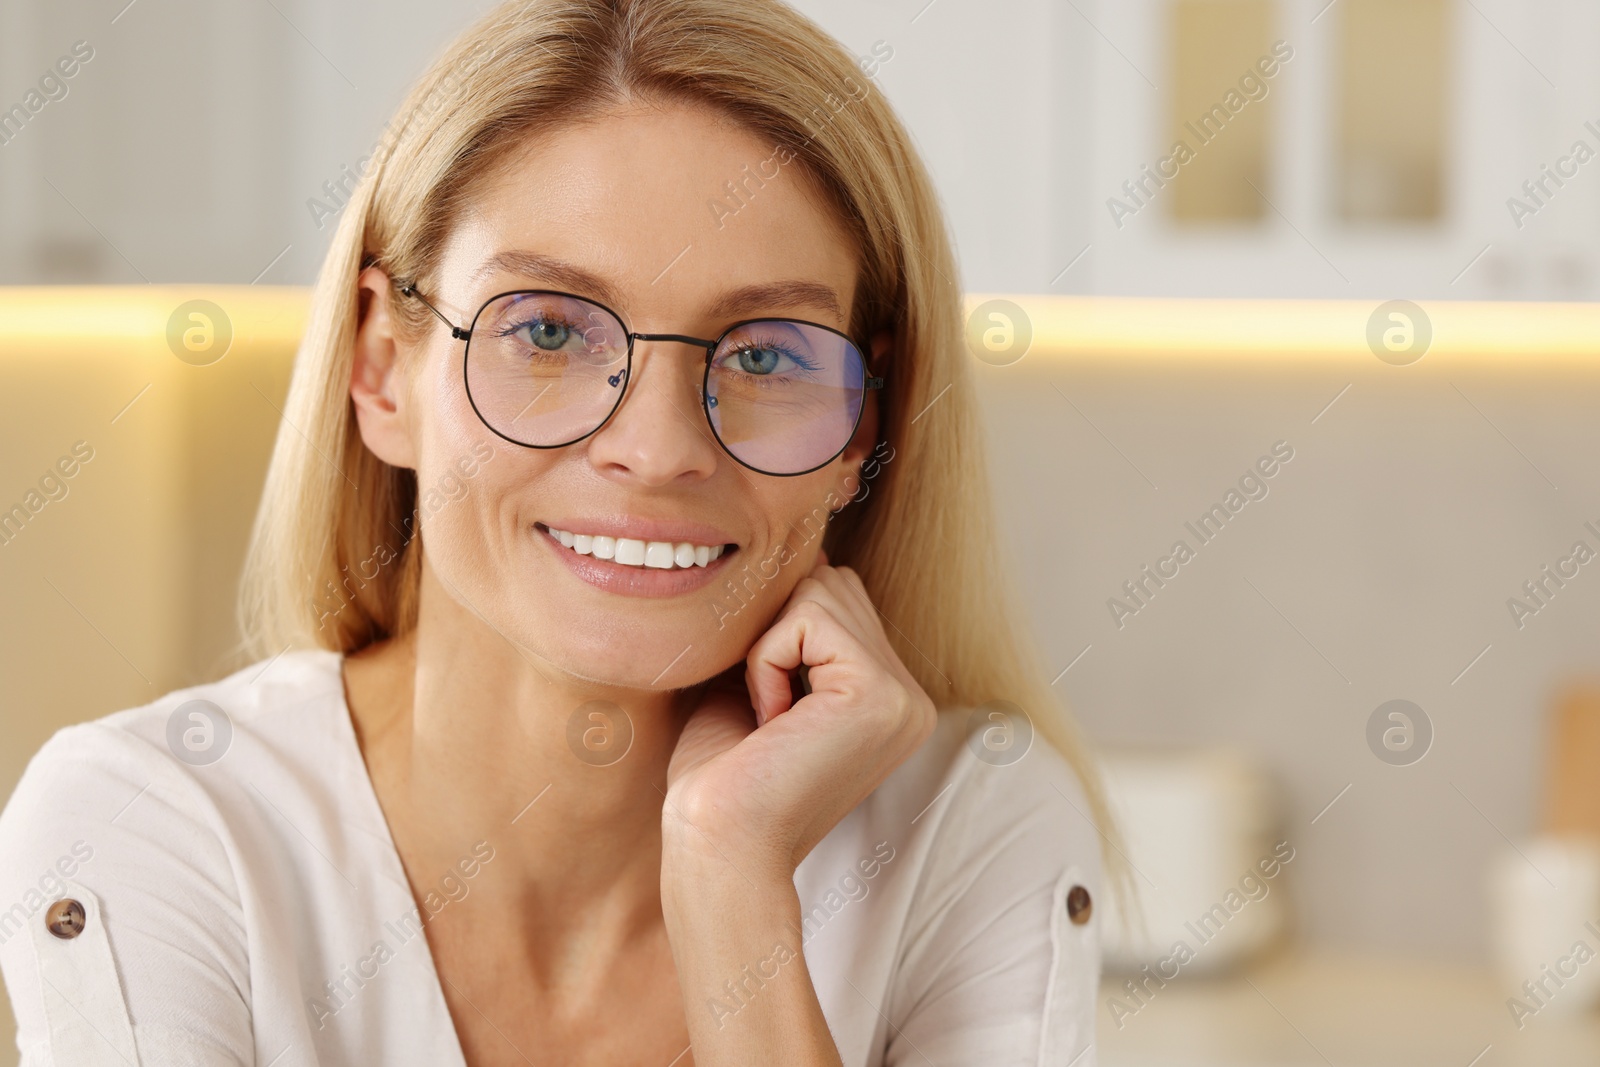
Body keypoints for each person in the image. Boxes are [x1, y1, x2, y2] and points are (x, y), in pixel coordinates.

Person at [0, 1, 1122, 1063]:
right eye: (546, 329)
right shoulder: (154, 823)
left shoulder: (973, 824)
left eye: (769, 352)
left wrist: (731, 883)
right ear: (383, 368)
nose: (658, 445)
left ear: (858, 430)